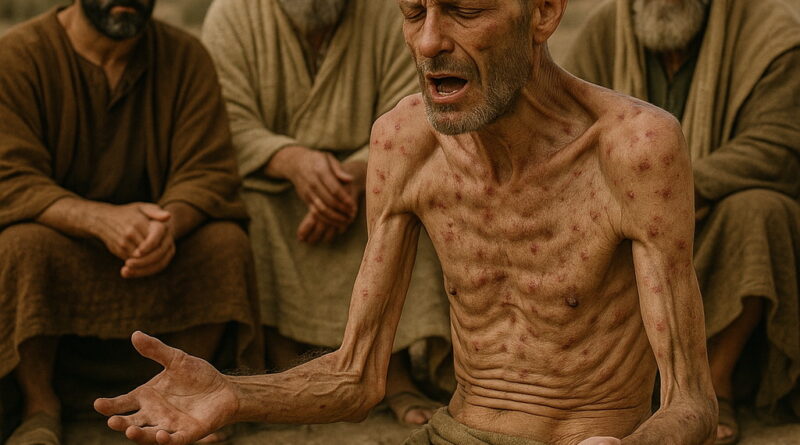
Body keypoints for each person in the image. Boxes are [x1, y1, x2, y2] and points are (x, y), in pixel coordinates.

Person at [95, 0, 719, 444]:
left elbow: (691, 400)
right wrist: (233, 395)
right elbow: (357, 375)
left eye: (463, 11)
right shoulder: (405, 141)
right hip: (452, 432)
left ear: (544, 13)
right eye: (414, 11)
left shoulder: (634, 148)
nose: (427, 43)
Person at [0, 0, 261, 443]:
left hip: (156, 250)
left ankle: (181, 400)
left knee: (224, 244)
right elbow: (10, 175)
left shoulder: (185, 56)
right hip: (64, 242)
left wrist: (167, 224)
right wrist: (97, 219)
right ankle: (39, 404)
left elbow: (208, 171)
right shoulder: (17, 56)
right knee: (21, 245)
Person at [200, 0, 452, 425]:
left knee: (405, 206)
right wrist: (291, 160)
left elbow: (416, 107)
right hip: (272, 182)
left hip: (370, 175)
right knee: (252, 214)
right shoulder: (233, 13)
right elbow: (224, 116)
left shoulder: (386, 13)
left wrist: (354, 176)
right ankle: (285, 364)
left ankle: (392, 371)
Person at [562, 0, 800, 442]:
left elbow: (780, 147)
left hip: (712, 224)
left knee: (761, 212)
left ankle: (715, 385)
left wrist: (670, 193)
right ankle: (610, 388)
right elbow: (561, 130)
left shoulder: (773, 35)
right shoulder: (604, 31)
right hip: (626, 228)